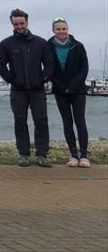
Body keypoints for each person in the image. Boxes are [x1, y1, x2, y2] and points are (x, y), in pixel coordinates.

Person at [0, 9, 54, 167]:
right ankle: (24, 154)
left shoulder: (40, 42)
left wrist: (42, 79)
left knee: (41, 121)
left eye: (22, 23)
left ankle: (42, 155)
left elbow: (49, 64)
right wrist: (11, 79)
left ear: (27, 22)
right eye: (16, 24)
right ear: (12, 24)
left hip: (37, 89)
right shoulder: (6, 43)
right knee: (20, 121)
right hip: (18, 90)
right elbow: (0, 64)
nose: (19, 26)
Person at [48, 18, 90, 168]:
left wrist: (72, 86)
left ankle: (84, 156)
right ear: (54, 31)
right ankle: (73, 156)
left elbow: (84, 69)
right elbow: (49, 69)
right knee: (67, 122)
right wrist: (60, 86)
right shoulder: (48, 46)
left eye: (63, 28)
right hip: (60, 91)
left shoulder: (78, 46)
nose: (61, 32)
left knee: (80, 121)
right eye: (58, 29)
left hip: (77, 90)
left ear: (68, 29)